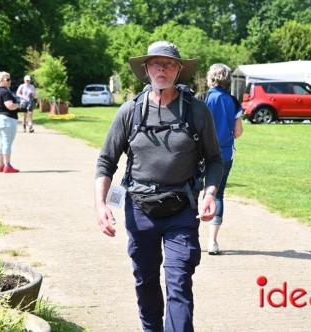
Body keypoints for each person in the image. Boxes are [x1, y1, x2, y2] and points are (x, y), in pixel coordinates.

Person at [95, 41, 223, 332]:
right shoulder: (129, 112)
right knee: (146, 279)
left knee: (178, 281)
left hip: (182, 210)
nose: (161, 68)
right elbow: (106, 161)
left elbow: (215, 160)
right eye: (155, 63)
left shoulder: (197, 112)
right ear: (146, 69)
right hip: (140, 211)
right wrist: (101, 204)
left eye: (168, 64)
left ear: (178, 70)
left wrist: (210, 192)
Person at [204, 64, 244, 255]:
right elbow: (238, 132)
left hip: (199, 154)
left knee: (193, 190)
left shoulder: (202, 99)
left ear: (210, 78)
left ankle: (187, 237)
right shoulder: (234, 102)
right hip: (224, 155)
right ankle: (212, 241)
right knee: (217, 195)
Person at [0, 71, 21, 173]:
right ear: (1, 81)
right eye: (8, 79)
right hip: (6, 119)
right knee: (7, 143)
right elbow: (9, 105)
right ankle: (7, 166)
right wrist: (18, 105)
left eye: (9, 79)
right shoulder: (5, 92)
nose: (9, 81)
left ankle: (1, 165)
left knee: (0, 142)